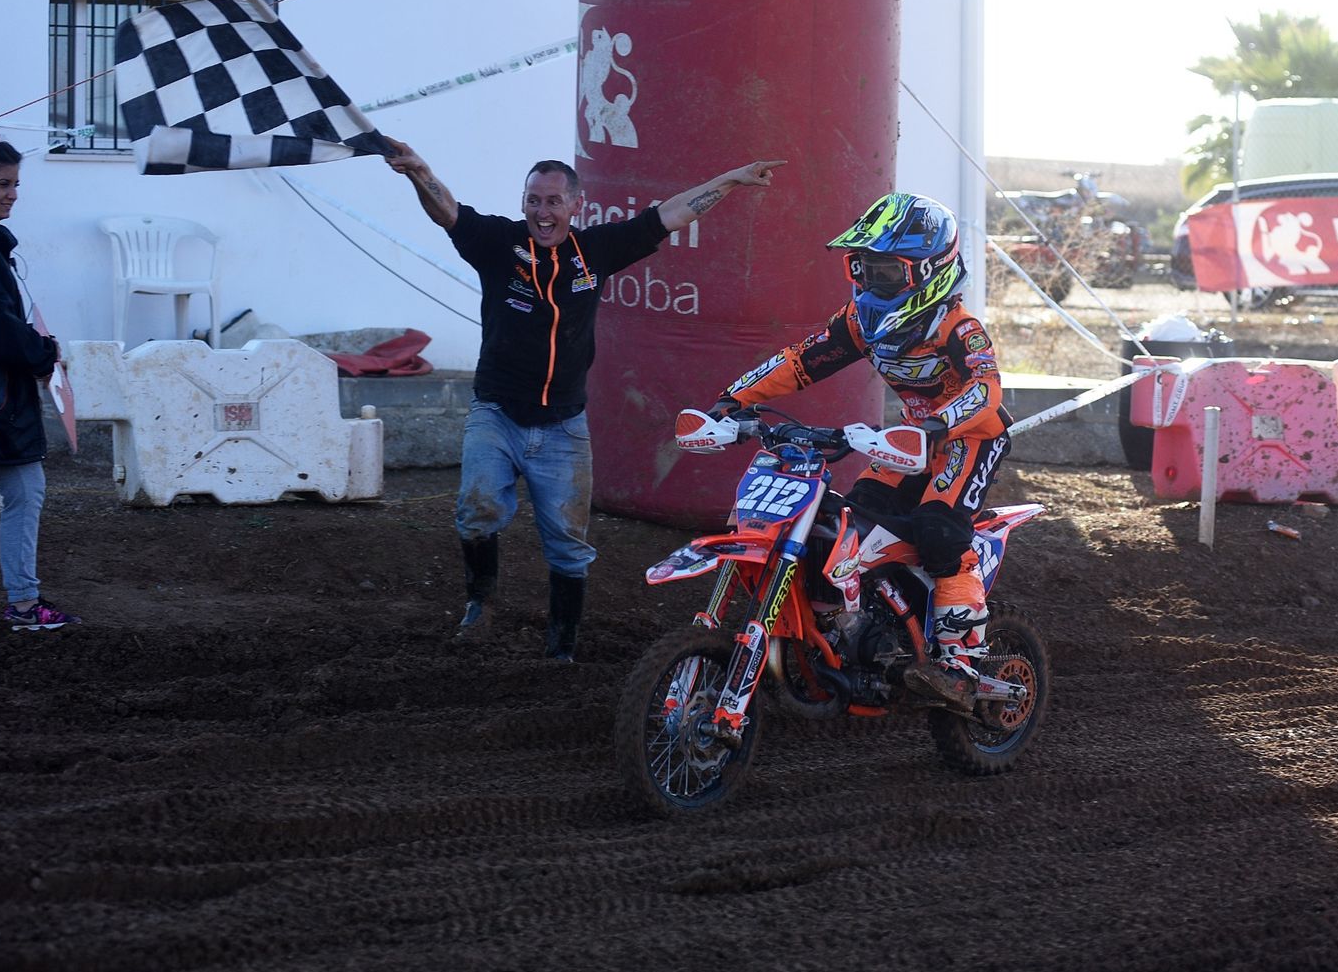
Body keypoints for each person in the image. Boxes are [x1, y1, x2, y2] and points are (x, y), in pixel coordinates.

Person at [383, 137, 783, 659]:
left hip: (563, 427)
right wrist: (418, 170)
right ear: (522, 201)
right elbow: (449, 213)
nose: (541, 212)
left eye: (553, 202)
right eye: (533, 200)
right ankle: (480, 603)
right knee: (476, 509)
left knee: (569, 547)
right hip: (496, 414)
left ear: (577, 205)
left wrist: (732, 178)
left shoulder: (594, 250)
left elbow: (669, 215)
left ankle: (562, 647)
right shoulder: (497, 243)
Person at [707, 192, 1011, 711]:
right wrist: (733, 398)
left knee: (940, 530)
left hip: (970, 437)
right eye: (863, 267)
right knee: (851, 520)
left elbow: (987, 390)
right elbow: (801, 361)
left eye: (886, 272)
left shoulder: (958, 327)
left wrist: (941, 423)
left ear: (928, 272)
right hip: (912, 439)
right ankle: (866, 626)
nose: (871, 282)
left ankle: (959, 665)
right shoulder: (861, 320)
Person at [0, 120, 81, 632]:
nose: (14, 195)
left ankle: (24, 602)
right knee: (26, 490)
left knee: (26, 490)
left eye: (17, 184)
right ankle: (23, 606)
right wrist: (43, 352)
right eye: (3, 184)